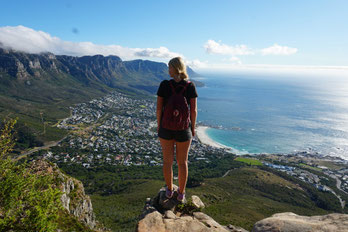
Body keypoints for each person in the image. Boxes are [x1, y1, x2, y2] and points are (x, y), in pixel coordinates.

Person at [156, 57, 198, 202]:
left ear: (175, 68)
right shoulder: (190, 86)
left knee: (167, 162)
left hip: (166, 128)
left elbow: (159, 109)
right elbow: (194, 111)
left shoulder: (164, 85)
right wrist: (192, 128)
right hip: (183, 129)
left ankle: (169, 190)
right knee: (182, 162)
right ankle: (181, 192)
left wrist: (158, 125)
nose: (168, 70)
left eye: (169, 67)